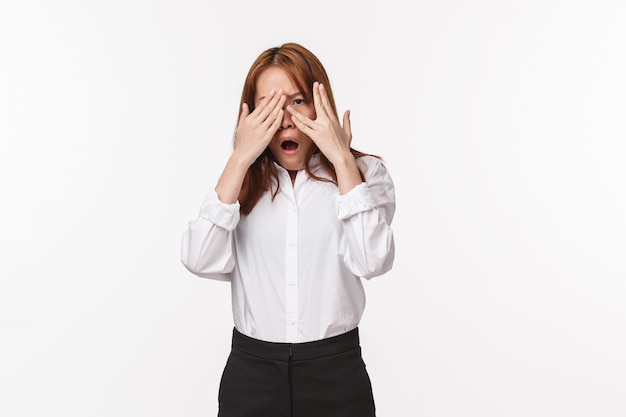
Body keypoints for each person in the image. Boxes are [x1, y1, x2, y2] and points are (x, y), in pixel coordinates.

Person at [181, 42, 396, 417]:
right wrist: (239, 158)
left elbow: (373, 261)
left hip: (337, 374)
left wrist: (342, 161)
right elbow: (199, 258)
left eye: (297, 101)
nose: (284, 119)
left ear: (321, 103)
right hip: (252, 376)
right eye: (269, 105)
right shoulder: (240, 182)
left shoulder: (365, 177)